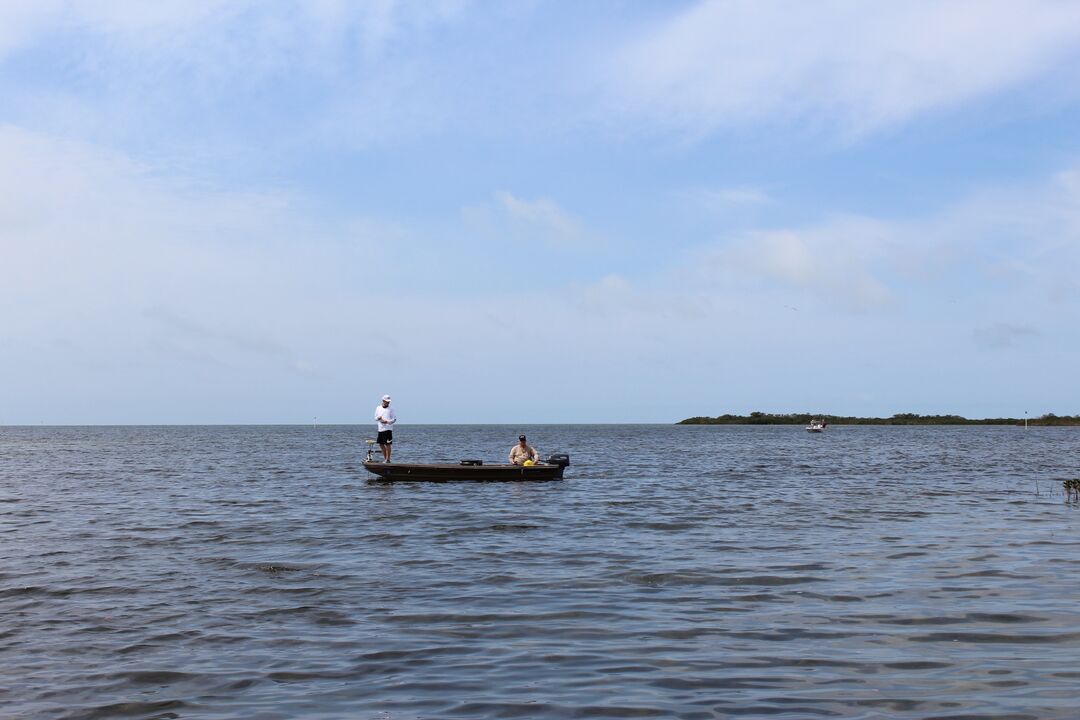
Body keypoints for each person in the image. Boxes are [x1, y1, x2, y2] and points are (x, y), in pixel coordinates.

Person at [374, 394, 396, 462]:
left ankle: (388, 459)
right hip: (380, 429)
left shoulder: (391, 409)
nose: (388, 402)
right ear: (383, 400)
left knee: (388, 444)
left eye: (389, 401)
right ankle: (385, 458)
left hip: (388, 429)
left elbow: (394, 419)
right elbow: (375, 418)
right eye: (387, 401)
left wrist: (388, 421)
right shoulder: (378, 408)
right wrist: (379, 418)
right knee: (381, 444)